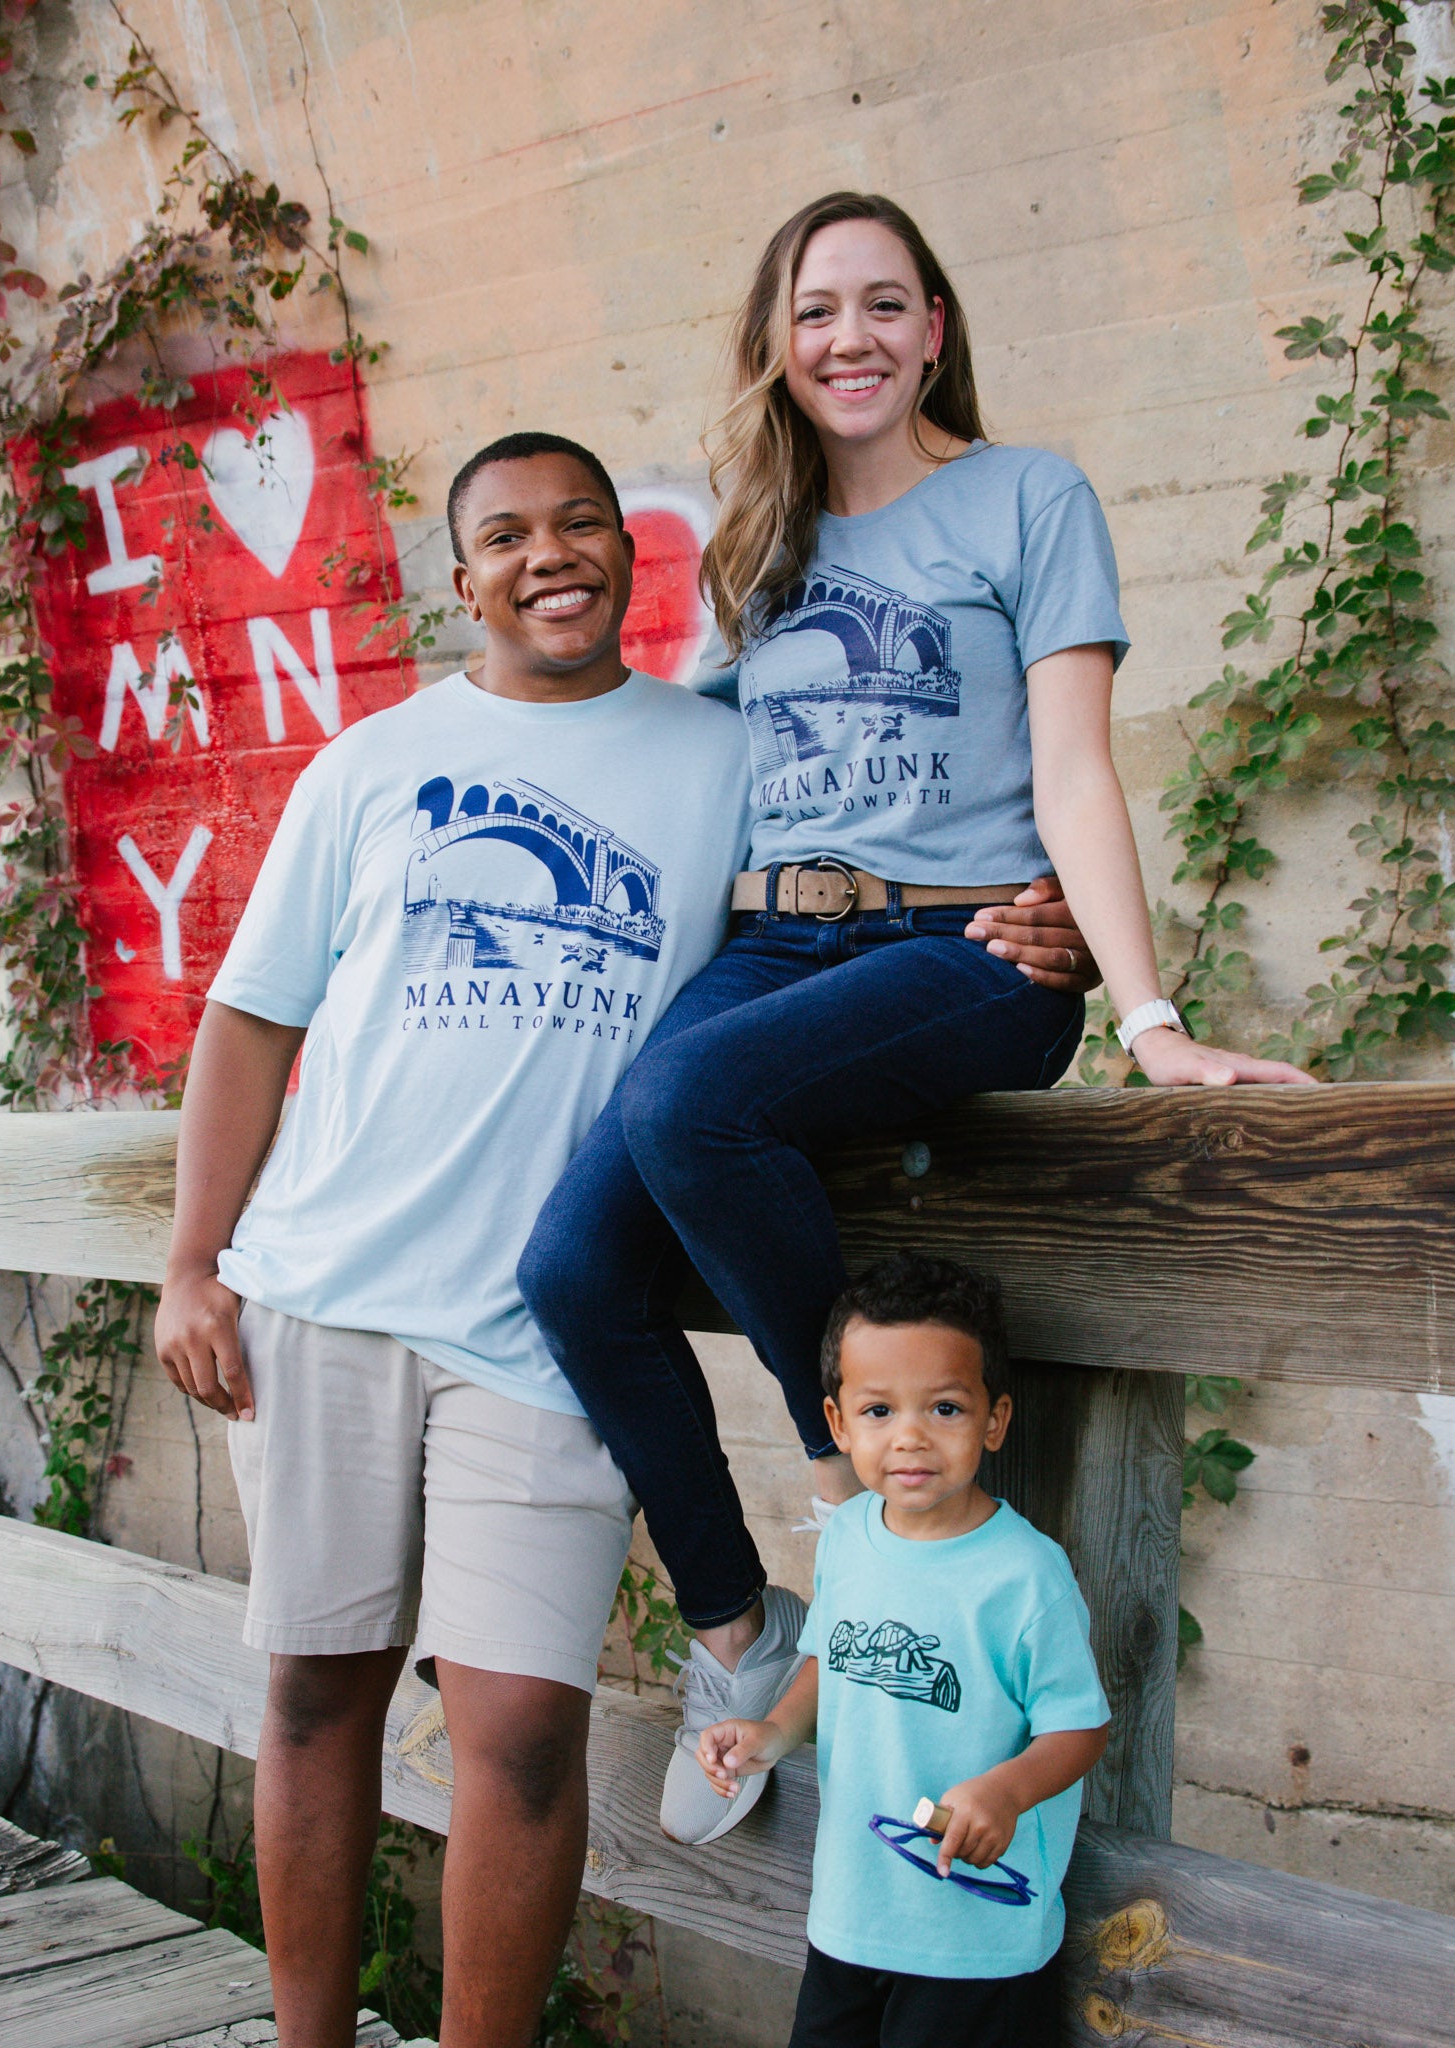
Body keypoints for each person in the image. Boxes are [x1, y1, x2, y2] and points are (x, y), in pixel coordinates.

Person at [156, 429, 1097, 2045]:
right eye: (507, 535)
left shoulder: (721, 749)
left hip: (534, 1336)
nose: (550, 554)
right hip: (325, 1294)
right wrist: (194, 1258)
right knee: (319, 1693)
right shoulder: (369, 765)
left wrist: (1041, 907)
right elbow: (248, 1019)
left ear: (624, 553)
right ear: (464, 580)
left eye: (580, 523)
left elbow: (886, 838)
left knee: (520, 1728)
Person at [517, 189, 1316, 1849]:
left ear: (933, 326)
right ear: (775, 343)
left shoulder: (1025, 499)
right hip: (770, 953)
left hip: (967, 948)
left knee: (690, 1111)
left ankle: (856, 1515)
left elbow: (1076, 764)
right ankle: (746, 1636)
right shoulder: (762, 552)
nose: (850, 338)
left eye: (884, 305)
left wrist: (1145, 1010)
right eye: (815, 310)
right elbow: (687, 775)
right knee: (570, 1266)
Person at [695, 1254, 1109, 2048]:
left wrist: (1007, 1791)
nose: (910, 1436)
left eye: (946, 1408)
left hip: (975, 1937)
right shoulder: (848, 1536)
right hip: (851, 1916)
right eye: (880, 1411)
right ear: (839, 1422)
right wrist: (772, 1734)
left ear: (995, 1420)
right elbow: (829, 1661)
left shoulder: (1024, 1575)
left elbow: (1080, 1728)